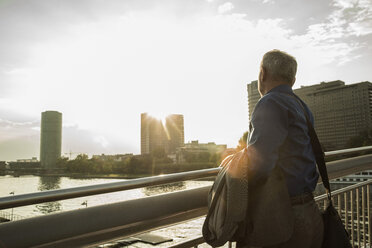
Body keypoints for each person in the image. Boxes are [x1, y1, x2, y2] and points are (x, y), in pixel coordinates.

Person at [241, 50, 324, 248]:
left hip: (283, 218)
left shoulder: (270, 102)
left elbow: (258, 164)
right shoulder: (301, 106)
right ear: (293, 80)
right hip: (310, 211)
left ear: (262, 73)